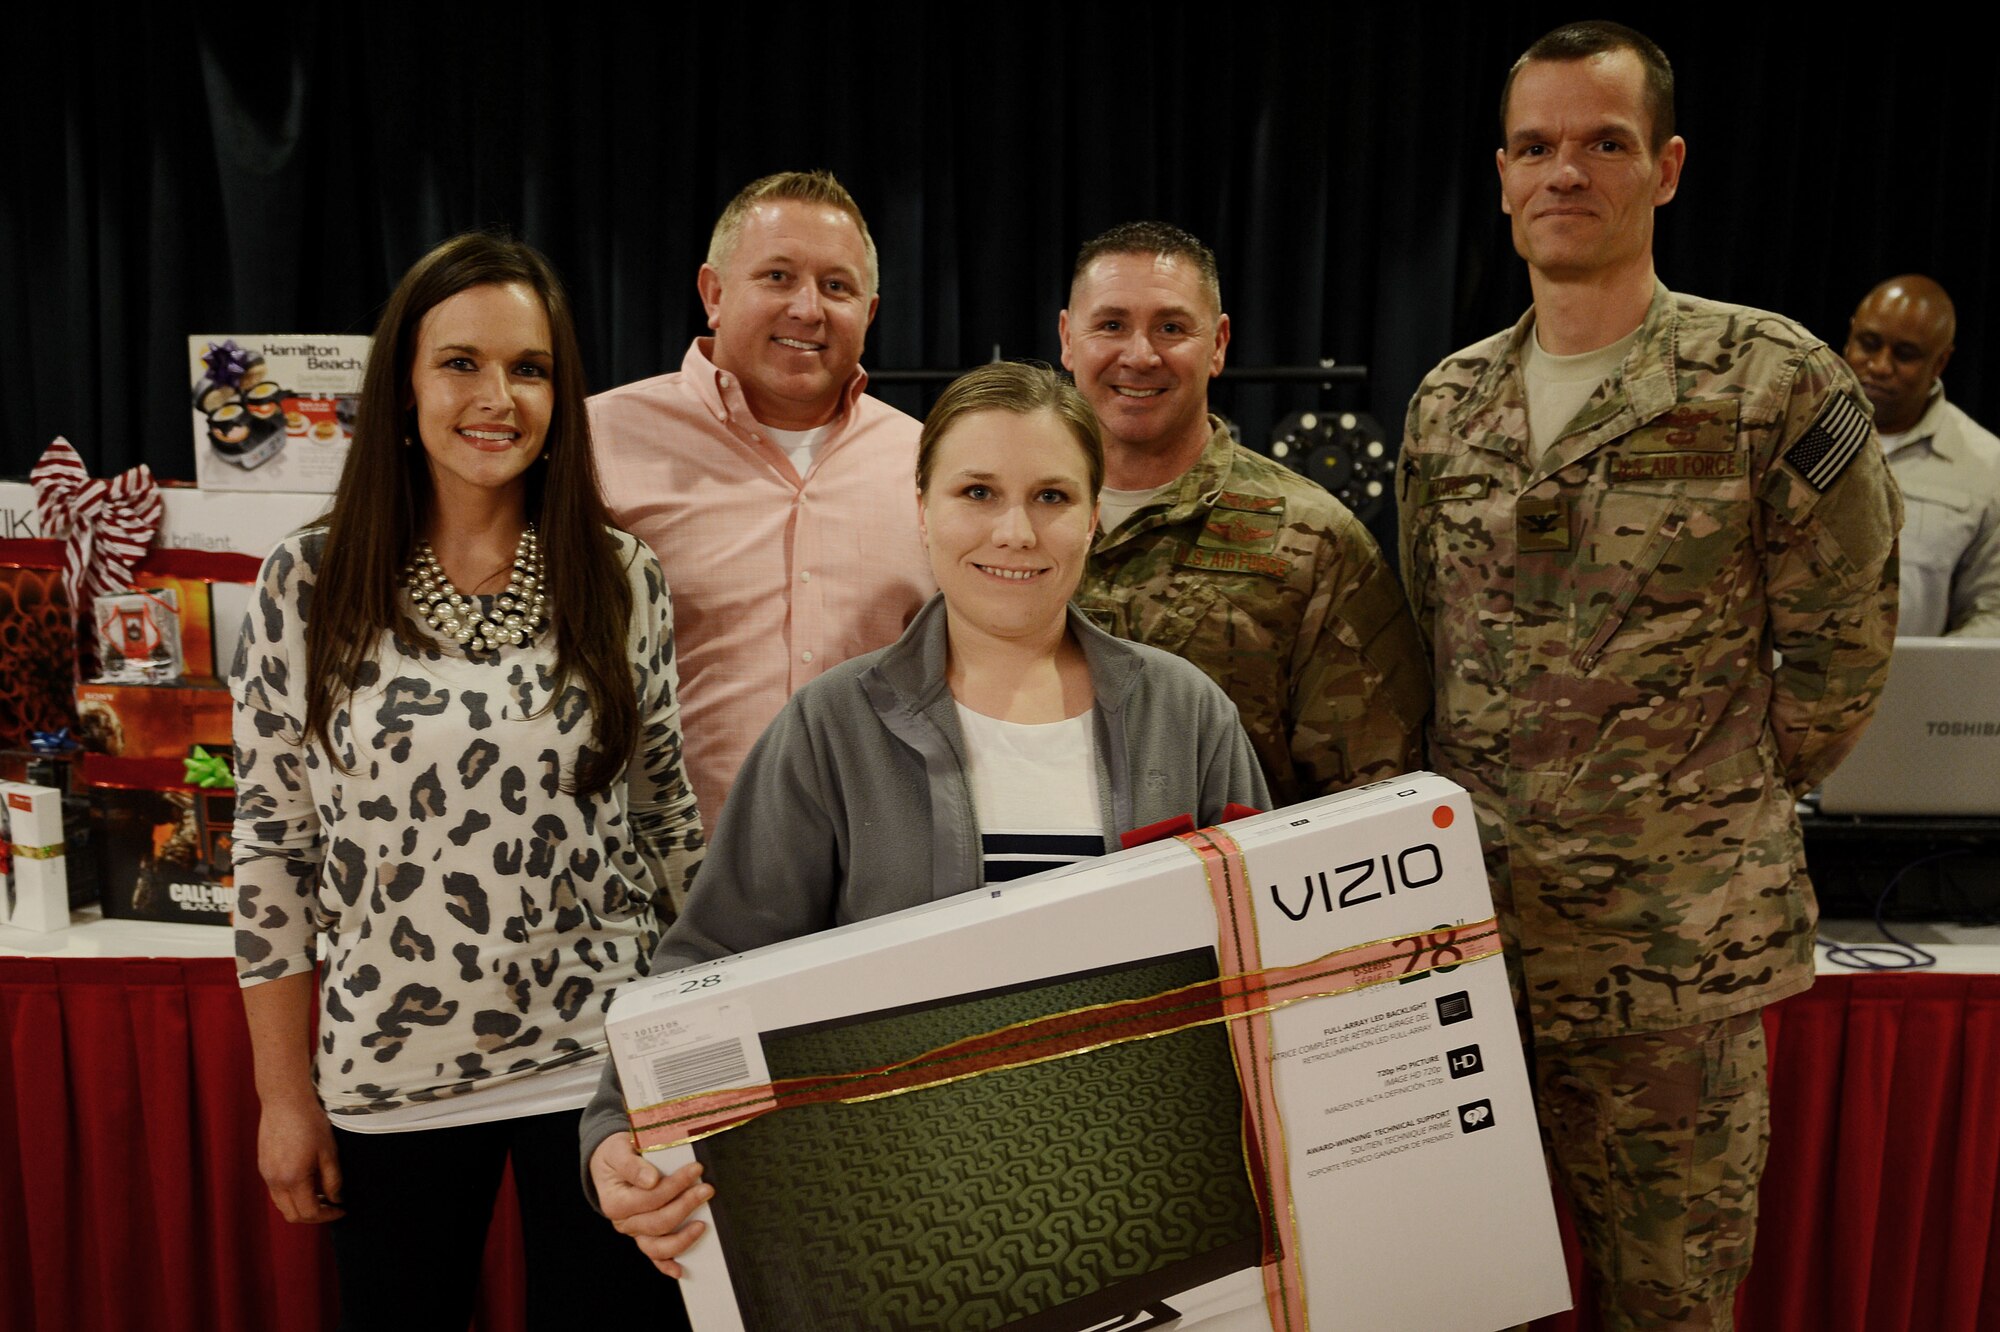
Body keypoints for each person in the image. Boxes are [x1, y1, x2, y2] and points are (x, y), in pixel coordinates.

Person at [1398, 22, 1899, 1329]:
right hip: (1474, 955)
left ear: (1666, 168)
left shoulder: (1773, 382)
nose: (1567, 172)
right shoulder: (1448, 405)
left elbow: (1844, 657)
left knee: (1668, 1309)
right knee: (1456, 1301)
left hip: (1676, 975)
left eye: (1603, 144)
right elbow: (1429, 644)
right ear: (1501, 175)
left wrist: (1692, 813)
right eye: (1536, 146)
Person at [579, 361, 1270, 1276]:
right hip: (913, 1229)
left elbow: (1272, 958)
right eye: (976, 492)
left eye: (1053, 496)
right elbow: (711, 964)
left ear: (1095, 515)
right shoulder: (829, 730)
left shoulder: (1186, 715)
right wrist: (618, 1130)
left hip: (1156, 1207)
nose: (1014, 531)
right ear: (922, 508)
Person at [230, 233, 704, 1330]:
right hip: (389, 1074)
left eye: (529, 368)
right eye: (460, 363)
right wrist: (283, 1096)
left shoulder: (619, 574)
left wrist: (700, 1049)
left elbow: (665, 819)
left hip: (598, 1074)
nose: (497, 397)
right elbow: (272, 852)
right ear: (403, 382)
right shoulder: (306, 580)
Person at [589, 170, 934, 837]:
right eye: (777, 276)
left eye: (837, 286)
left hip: (872, 885)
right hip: (661, 887)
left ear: (869, 312)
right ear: (713, 293)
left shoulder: (931, 464)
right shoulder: (595, 443)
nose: (807, 308)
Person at [1060, 221, 1430, 805]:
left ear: (1219, 344)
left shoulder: (1312, 540)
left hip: (1237, 889)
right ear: (1067, 338)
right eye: (1111, 325)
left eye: (1172, 328)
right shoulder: (1007, 524)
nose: (1139, 354)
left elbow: (1374, 798)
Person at [1843, 275, 2000, 636]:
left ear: (1941, 361)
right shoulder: (1792, 432)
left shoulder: (1985, 467)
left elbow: (1990, 615)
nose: (1881, 366)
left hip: (1910, 687)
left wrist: (1927, 681)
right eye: (1868, 344)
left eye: (1905, 354)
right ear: (1849, 336)